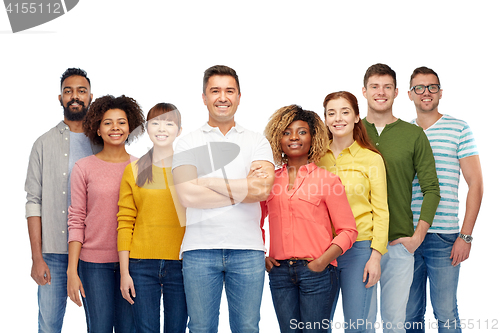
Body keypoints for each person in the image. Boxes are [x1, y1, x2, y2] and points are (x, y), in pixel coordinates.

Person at [172, 65, 275, 333]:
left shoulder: (257, 141)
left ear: (239, 96)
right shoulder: (186, 143)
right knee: (201, 328)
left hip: (247, 249)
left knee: (247, 328)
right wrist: (244, 188)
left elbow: (262, 190)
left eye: (229, 90)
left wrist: (206, 182)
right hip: (198, 250)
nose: (222, 97)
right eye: (215, 90)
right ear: (204, 97)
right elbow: (187, 195)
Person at [263, 104, 358, 333]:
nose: (294, 137)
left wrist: (322, 262)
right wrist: (261, 255)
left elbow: (348, 231)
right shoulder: (268, 181)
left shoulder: (328, 180)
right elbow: (251, 222)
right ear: (278, 138)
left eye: (302, 132)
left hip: (317, 273)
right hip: (280, 274)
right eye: (287, 132)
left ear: (313, 137)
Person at [361, 63, 441, 333]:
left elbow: (432, 188)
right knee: (362, 324)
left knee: (395, 324)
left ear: (396, 92)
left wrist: (417, 236)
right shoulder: (351, 131)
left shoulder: (413, 135)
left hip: (398, 243)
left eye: (386, 87)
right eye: (374, 86)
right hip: (359, 244)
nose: (380, 92)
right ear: (364, 91)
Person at [404, 67, 483, 333]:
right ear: (410, 94)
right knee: (409, 313)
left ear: (440, 92)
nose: (426, 92)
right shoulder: (402, 132)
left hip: (445, 237)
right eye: (419, 88)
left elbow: (476, 184)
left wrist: (466, 236)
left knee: (446, 312)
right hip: (407, 236)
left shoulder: (458, 128)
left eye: (432, 87)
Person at [25, 68, 101, 333]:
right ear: (60, 98)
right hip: (54, 254)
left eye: (81, 91)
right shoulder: (43, 144)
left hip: (95, 254)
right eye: (68, 91)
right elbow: (33, 201)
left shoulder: (103, 142)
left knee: (100, 326)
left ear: (91, 96)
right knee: (49, 327)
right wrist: (37, 256)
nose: (75, 96)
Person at [66, 95, 145, 332]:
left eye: (121, 122)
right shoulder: (84, 167)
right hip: (93, 264)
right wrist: (72, 269)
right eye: (108, 122)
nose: (115, 128)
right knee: (98, 328)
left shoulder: (142, 167)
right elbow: (76, 219)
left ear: (130, 127)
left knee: (128, 328)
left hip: (132, 263)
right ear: (97, 129)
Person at [317, 91, 389, 332]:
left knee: (357, 325)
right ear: (325, 119)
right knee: (317, 325)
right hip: (322, 250)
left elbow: (381, 211)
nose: (338, 118)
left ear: (357, 117)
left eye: (345, 112)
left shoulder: (371, 159)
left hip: (359, 250)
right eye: (331, 113)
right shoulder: (316, 158)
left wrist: (376, 256)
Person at [117, 103, 188, 333]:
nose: (162, 128)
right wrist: (125, 272)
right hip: (140, 265)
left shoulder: (188, 169)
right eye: (156, 122)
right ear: (147, 128)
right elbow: (125, 222)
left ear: (179, 129)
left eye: (169, 123)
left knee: (176, 329)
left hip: (181, 264)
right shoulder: (135, 169)